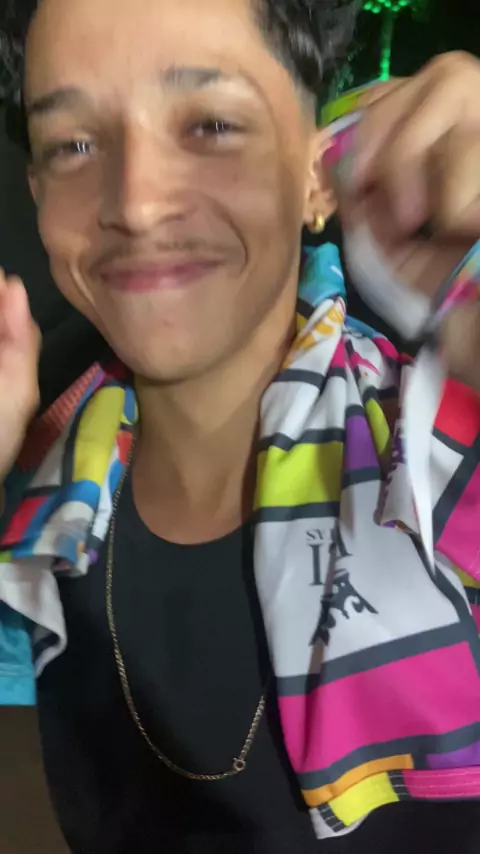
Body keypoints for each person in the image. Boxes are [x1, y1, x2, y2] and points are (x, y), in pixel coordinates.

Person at [0, 0, 480, 852]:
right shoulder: (34, 515)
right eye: (73, 144)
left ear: (316, 171)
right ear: (36, 191)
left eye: (212, 125)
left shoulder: (435, 456)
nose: (137, 204)